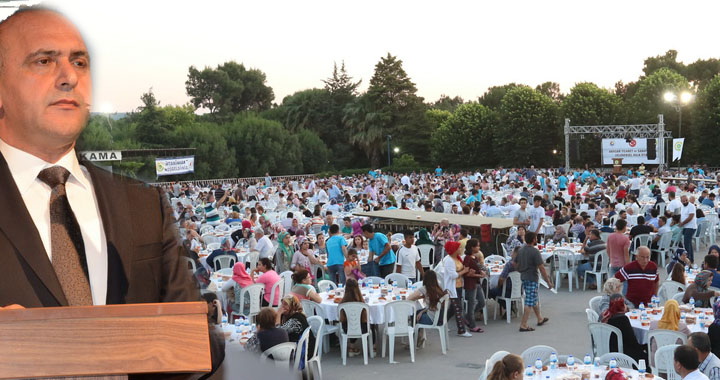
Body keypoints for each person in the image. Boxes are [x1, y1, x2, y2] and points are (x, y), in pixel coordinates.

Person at [0, 5, 226, 368]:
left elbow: (203, 343)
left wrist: (142, 342)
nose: (68, 77)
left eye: (79, 62)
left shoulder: (144, 204)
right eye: (43, 61)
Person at [516, 232, 554, 332]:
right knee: (529, 301)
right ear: (533, 240)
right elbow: (542, 267)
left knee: (533, 298)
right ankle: (523, 324)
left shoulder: (521, 250)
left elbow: (515, 263)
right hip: (532, 277)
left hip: (524, 276)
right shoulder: (535, 251)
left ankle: (539, 318)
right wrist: (548, 281)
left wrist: (521, 270)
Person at [603, 294, 648, 363]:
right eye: (624, 303)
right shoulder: (622, 319)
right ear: (621, 305)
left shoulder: (605, 315)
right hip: (625, 355)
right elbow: (632, 342)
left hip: (606, 349)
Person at [441, 241, 473, 337]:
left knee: (453, 308)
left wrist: (466, 271)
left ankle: (441, 322)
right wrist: (464, 271)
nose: (460, 249)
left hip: (458, 286)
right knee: (458, 308)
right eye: (458, 248)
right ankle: (461, 330)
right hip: (452, 288)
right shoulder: (449, 260)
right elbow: (453, 275)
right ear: (454, 250)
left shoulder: (458, 258)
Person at [407, 270, 446, 346]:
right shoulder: (438, 288)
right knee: (418, 312)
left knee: (413, 315)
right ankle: (420, 335)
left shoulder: (425, 288)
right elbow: (433, 306)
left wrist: (419, 296)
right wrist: (422, 312)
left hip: (432, 319)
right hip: (439, 317)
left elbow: (409, 298)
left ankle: (416, 339)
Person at [339, 278, 370, 356]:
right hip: (362, 329)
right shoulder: (361, 303)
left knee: (351, 322)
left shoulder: (342, 303)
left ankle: (351, 347)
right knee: (370, 324)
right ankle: (373, 347)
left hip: (346, 329)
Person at [462, 238, 486, 333]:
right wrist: (479, 275)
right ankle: (472, 325)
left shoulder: (474, 257)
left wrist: (481, 272)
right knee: (471, 304)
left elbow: (477, 268)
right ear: (472, 247)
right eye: (477, 246)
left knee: (482, 302)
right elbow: (467, 273)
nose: (479, 247)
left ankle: (468, 317)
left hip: (476, 282)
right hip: (471, 284)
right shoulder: (467, 258)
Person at [680, 195, 699, 263]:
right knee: (688, 243)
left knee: (686, 243)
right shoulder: (682, 206)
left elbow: (691, 217)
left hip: (691, 226)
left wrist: (682, 223)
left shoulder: (691, 206)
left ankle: (688, 259)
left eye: (686, 200)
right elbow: (682, 215)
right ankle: (690, 259)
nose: (685, 202)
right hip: (685, 226)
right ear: (681, 201)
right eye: (683, 201)